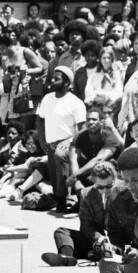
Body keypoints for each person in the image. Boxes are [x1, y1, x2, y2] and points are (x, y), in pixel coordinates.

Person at [43, 161, 118, 266]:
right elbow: (86, 226)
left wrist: (113, 244)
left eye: (109, 186)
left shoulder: (124, 192)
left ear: (115, 179)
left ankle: (94, 254)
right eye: (100, 187)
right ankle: (66, 257)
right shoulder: (86, 194)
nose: (105, 190)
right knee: (61, 232)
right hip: (99, 239)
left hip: (120, 241)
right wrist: (102, 240)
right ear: (94, 181)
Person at [36, 65, 86, 213]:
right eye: (53, 77)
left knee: (59, 155)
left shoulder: (75, 102)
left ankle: (65, 200)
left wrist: (70, 141)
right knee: (53, 173)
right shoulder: (47, 98)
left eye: (56, 78)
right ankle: (61, 200)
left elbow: (82, 128)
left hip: (69, 144)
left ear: (66, 83)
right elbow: (39, 119)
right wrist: (42, 139)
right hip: (50, 143)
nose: (52, 80)